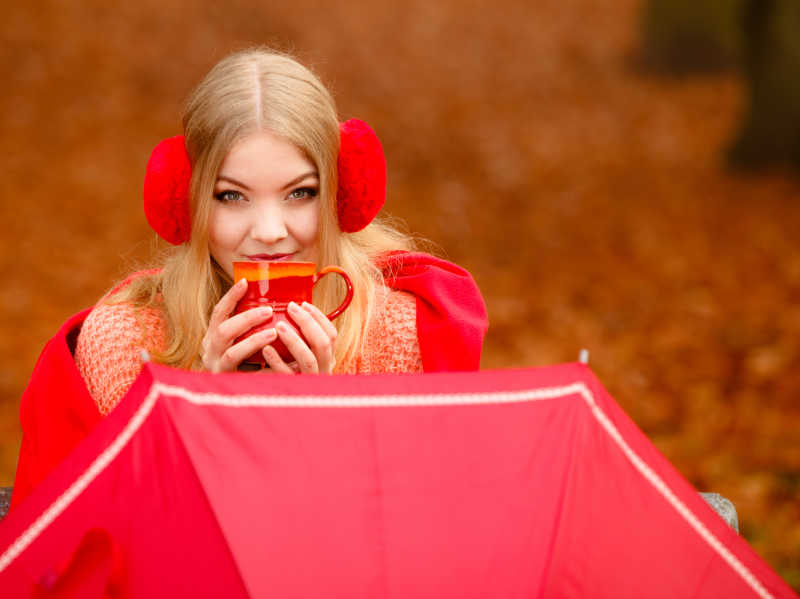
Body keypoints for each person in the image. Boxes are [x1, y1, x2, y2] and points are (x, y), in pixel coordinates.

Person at [11, 47, 487, 508]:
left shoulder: (403, 336)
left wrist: (330, 425)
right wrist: (203, 419)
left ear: (338, 195)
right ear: (187, 203)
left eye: (300, 193)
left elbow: (425, 542)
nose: (269, 232)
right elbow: (98, 558)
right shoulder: (123, 346)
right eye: (232, 197)